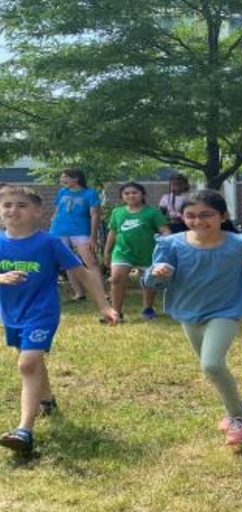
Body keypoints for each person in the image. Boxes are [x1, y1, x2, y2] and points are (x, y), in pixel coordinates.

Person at [143, 190, 242, 446]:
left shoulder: (240, 243)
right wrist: (158, 273)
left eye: (206, 215)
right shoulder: (171, 243)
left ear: (223, 215)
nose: (198, 221)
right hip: (188, 311)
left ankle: (239, 418)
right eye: (191, 216)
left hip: (226, 310)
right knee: (213, 369)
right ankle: (236, 406)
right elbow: (151, 279)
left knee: (211, 365)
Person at [0, 186, 117, 454]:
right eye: (7, 205)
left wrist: (105, 305)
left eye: (21, 205)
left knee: (27, 363)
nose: (13, 210)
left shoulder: (48, 242)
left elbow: (83, 273)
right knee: (32, 362)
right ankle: (48, 400)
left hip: (41, 313)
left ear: (38, 212)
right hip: (11, 314)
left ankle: (24, 431)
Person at [102, 182, 171, 322]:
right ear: (122, 196)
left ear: (143, 195)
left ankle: (148, 308)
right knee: (116, 279)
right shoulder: (117, 212)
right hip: (122, 251)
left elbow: (164, 230)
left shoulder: (152, 212)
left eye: (135, 192)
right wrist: (107, 251)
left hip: (148, 252)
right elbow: (113, 232)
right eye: (126, 193)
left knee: (148, 281)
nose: (131, 195)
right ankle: (116, 312)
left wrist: (168, 243)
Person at [49, 168, 103, 301]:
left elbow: (95, 215)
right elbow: (56, 211)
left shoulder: (90, 193)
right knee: (68, 262)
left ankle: (101, 294)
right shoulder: (62, 192)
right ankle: (79, 293)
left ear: (76, 178)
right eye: (62, 178)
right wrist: (52, 225)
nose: (62, 180)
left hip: (81, 231)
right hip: (58, 230)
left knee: (90, 261)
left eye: (65, 177)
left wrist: (93, 236)